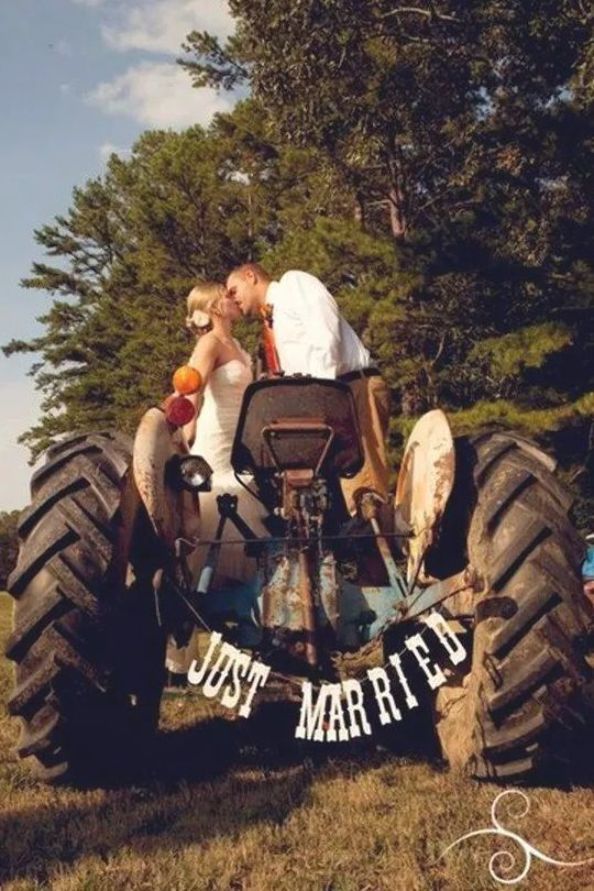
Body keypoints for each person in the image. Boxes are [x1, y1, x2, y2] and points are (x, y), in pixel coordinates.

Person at [225, 263, 391, 515]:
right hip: (325, 399)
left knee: (363, 488)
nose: (231, 298)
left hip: (352, 390)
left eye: (233, 289)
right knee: (331, 495)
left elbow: (325, 339)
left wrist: (318, 400)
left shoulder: (295, 284)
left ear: (251, 276)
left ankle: (378, 549)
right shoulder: (273, 320)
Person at [165, 281, 265, 678]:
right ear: (214, 305)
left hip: (240, 446)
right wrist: (176, 433)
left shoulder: (239, 347)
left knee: (243, 525)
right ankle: (178, 655)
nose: (233, 298)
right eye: (226, 294)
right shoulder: (209, 344)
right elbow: (190, 391)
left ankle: (247, 638)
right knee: (204, 532)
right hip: (214, 440)